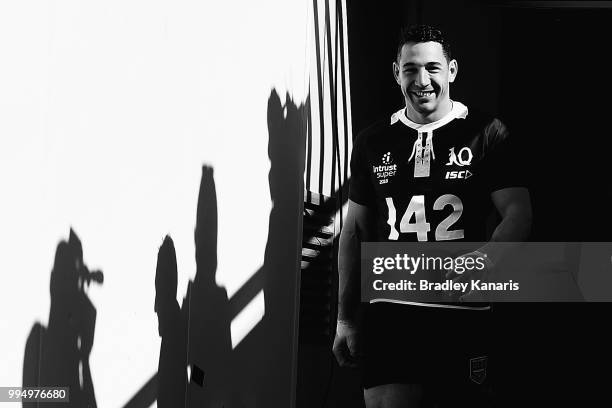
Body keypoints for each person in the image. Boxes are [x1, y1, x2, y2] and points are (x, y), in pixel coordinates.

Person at [333, 25, 532, 407]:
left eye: (432, 68)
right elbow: (353, 232)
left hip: (462, 313)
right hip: (394, 312)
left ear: (452, 70)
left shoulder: (487, 131)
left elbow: (519, 215)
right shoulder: (373, 140)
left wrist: (484, 263)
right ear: (396, 73)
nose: (422, 80)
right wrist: (345, 319)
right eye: (410, 69)